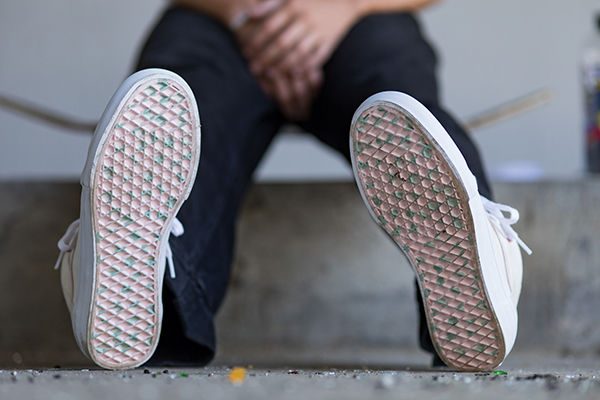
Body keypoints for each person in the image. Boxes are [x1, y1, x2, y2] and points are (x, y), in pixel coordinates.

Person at [54, 0, 530, 371]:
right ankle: (142, 279)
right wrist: (245, 15)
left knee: (402, 108)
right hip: (219, 17)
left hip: (357, 15)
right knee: (181, 101)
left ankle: (478, 246)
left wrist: (339, 9)